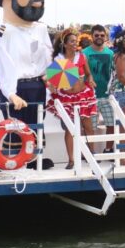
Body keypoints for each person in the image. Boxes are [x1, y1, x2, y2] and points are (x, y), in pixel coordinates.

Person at [45, 29, 97, 169]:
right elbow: (50, 79)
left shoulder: (82, 57)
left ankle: (92, 154)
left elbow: (88, 74)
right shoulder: (59, 59)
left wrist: (91, 80)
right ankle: (71, 160)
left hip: (82, 95)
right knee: (70, 129)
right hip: (67, 98)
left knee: (88, 126)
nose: (75, 44)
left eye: (76, 41)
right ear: (65, 44)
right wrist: (51, 86)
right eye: (72, 41)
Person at [83, 24, 115, 152]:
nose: (99, 37)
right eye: (97, 35)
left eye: (102, 35)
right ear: (92, 36)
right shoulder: (84, 53)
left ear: (105, 36)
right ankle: (91, 152)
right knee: (91, 127)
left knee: (111, 124)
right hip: (90, 96)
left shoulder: (111, 53)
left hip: (107, 96)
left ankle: (108, 149)